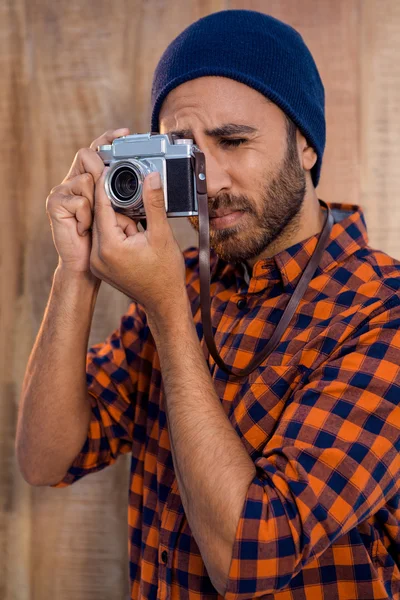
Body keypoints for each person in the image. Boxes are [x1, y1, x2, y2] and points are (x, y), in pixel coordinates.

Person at [15, 9, 400, 600]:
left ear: (304, 143)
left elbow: (251, 557)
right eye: (184, 152)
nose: (208, 179)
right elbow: (46, 458)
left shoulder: (380, 310)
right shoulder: (180, 282)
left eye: (233, 141)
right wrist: (78, 269)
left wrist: (170, 313)